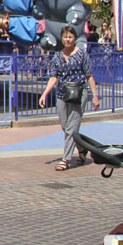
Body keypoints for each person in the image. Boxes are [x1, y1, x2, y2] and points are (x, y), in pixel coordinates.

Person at [39, 26, 100, 171]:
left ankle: (65, 159)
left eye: (70, 37)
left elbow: (89, 75)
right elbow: (53, 77)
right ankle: (82, 147)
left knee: (71, 128)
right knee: (66, 126)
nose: (67, 39)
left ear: (75, 38)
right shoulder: (57, 57)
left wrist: (95, 95)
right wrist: (45, 93)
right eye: (65, 37)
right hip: (62, 93)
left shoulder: (82, 54)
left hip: (79, 93)